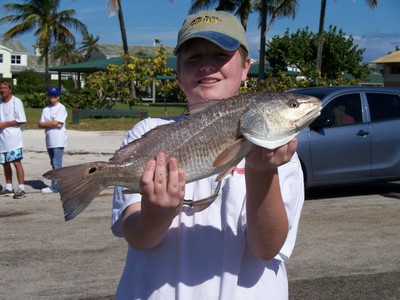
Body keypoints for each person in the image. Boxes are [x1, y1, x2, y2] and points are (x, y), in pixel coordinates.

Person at [111, 10, 304, 299]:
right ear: (178, 72)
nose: (207, 66)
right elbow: (139, 237)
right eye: (193, 58)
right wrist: (156, 215)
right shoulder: (148, 132)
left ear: (245, 66)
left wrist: (262, 173)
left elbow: (266, 249)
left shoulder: (276, 150)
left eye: (220, 54)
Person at [0, 80, 27, 199]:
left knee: (16, 162)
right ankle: (9, 186)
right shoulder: (0, 103)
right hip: (2, 139)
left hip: (14, 138)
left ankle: (21, 187)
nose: (3, 90)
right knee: (5, 163)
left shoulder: (16, 101)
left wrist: (4, 124)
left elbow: (21, 119)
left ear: (10, 89)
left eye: (5, 88)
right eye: (1, 88)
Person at [38, 87, 68, 194]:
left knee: (57, 163)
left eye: (54, 95)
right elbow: (40, 124)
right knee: (53, 162)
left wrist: (49, 123)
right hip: (49, 139)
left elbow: (58, 123)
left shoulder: (61, 108)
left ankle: (56, 186)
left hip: (58, 139)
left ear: (58, 97)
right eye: (50, 95)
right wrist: (52, 123)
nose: (52, 97)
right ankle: (58, 183)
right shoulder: (46, 109)